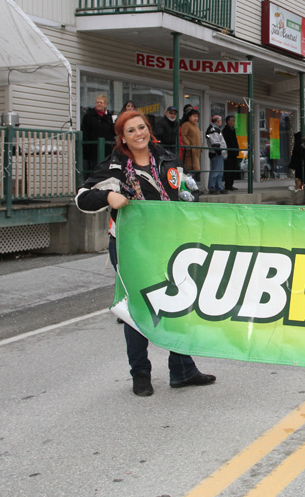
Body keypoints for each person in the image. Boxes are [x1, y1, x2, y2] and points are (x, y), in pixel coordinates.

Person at [75, 110, 215, 396]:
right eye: (131, 131)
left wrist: (191, 199)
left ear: (149, 130)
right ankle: (140, 374)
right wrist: (107, 196)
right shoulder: (114, 166)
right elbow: (82, 198)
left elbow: (183, 191)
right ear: (122, 138)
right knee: (137, 309)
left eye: (142, 128)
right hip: (131, 246)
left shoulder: (166, 157)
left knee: (180, 305)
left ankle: (183, 370)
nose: (138, 134)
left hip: (170, 243)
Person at [82, 95, 115, 175]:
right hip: (93, 151)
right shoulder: (89, 116)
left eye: (101, 102)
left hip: (107, 151)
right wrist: (86, 150)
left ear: (105, 104)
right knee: (95, 172)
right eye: (97, 102)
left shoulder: (109, 117)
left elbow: (112, 133)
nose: (99, 104)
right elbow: (85, 133)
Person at [204, 115, 226, 195]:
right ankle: (212, 187)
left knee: (219, 172)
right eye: (220, 120)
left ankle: (218, 187)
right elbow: (215, 142)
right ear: (217, 121)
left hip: (218, 153)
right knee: (216, 171)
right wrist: (220, 152)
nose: (221, 122)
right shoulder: (213, 130)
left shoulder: (216, 129)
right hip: (216, 153)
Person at [179, 108, 202, 182]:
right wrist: (188, 145)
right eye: (194, 116)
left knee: (195, 170)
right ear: (189, 117)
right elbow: (183, 135)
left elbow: (199, 138)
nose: (196, 118)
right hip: (189, 152)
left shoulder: (196, 126)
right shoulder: (186, 124)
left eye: (197, 117)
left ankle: (194, 187)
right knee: (189, 169)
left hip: (196, 151)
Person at [222, 115, 241, 191]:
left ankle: (231, 184)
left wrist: (237, 149)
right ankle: (228, 185)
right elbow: (226, 142)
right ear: (228, 121)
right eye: (232, 120)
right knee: (228, 169)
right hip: (229, 153)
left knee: (233, 169)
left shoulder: (233, 130)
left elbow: (235, 141)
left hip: (234, 153)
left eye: (234, 120)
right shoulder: (226, 130)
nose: (233, 122)